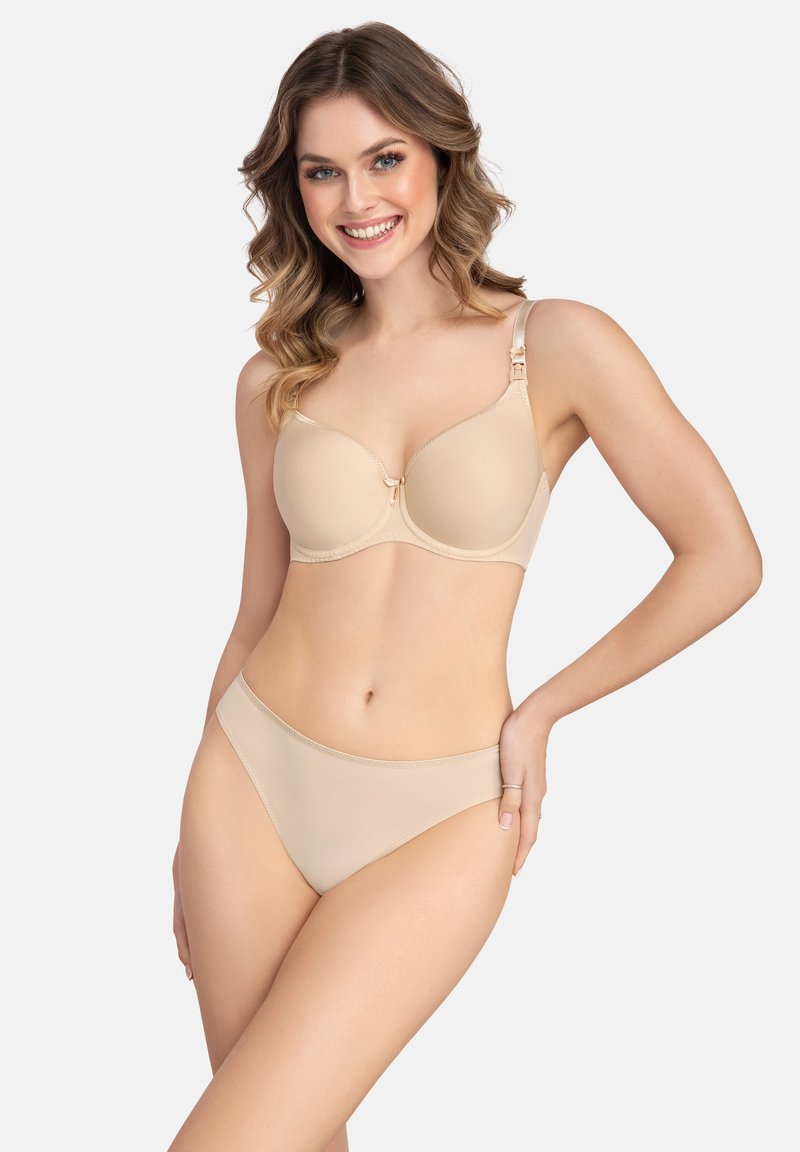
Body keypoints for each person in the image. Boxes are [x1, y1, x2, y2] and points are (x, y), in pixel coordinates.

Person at [167, 21, 762, 1151]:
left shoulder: (559, 343)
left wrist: (542, 711)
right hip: (249, 784)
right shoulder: (275, 378)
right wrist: (188, 840)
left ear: (442, 157)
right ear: (294, 190)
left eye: (384, 158)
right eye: (322, 171)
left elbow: (724, 557)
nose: (356, 199)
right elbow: (254, 613)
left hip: (442, 810)